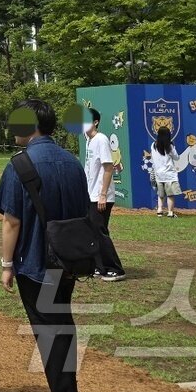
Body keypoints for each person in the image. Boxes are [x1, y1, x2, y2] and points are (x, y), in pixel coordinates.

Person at [0, 99, 90, 392]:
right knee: (61, 321)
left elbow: (11, 221)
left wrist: (6, 264)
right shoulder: (72, 161)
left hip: (35, 261)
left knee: (48, 327)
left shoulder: (21, 164)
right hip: (69, 257)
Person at [83, 108, 126, 282]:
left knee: (99, 232)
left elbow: (108, 167)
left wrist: (102, 194)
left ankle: (115, 268)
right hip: (91, 194)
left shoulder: (101, 139)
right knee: (92, 232)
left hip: (101, 196)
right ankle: (100, 267)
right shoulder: (89, 141)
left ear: (95, 122)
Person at [150, 127, 182, 217]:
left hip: (158, 174)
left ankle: (159, 210)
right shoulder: (169, 146)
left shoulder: (153, 145)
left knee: (160, 194)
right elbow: (176, 157)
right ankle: (170, 212)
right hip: (169, 174)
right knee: (170, 195)